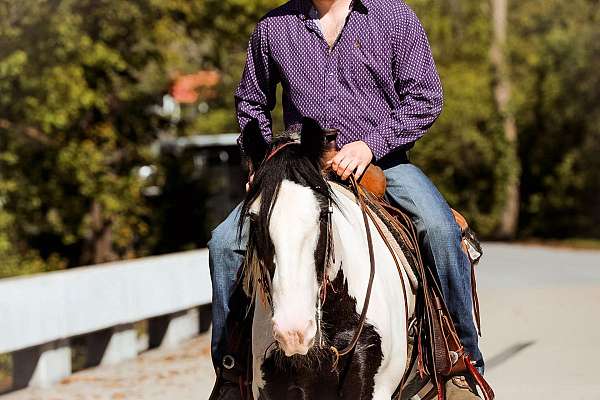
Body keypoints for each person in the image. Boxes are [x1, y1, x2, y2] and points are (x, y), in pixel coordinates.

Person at [208, 0, 483, 398]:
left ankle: (460, 362)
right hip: (301, 170)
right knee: (223, 244)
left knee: (439, 229)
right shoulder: (273, 28)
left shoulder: (393, 16)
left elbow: (425, 98)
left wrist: (370, 145)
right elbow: (252, 104)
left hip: (383, 166)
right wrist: (262, 162)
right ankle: (230, 372)